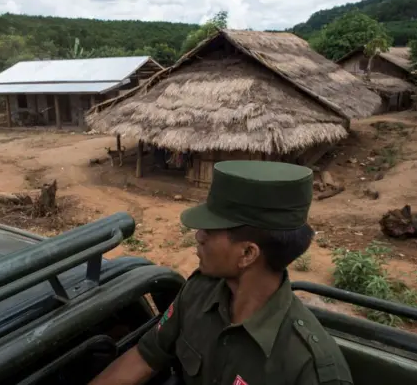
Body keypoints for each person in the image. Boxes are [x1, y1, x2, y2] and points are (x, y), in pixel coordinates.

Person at [88, 160, 353, 385]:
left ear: (248, 254)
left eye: (210, 232)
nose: (198, 236)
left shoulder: (309, 367)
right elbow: (145, 356)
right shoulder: (198, 292)